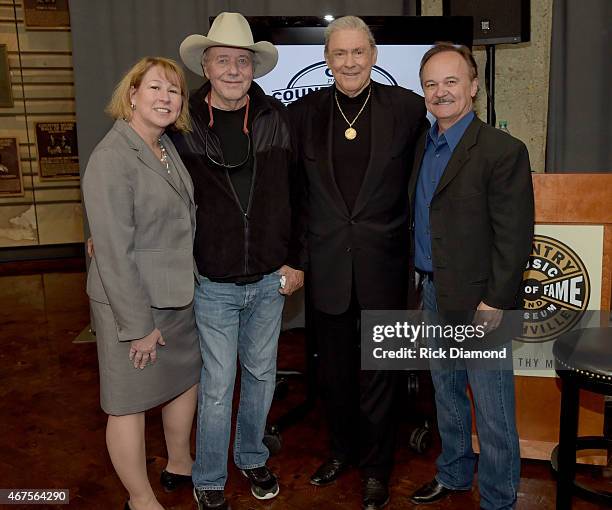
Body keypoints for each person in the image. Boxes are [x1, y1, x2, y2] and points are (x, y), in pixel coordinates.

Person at [289, 15, 427, 510]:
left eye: (357, 52)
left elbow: (424, 188)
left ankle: (377, 468)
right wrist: (296, 259)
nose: (348, 62)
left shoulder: (410, 110)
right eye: (338, 53)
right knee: (337, 376)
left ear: (373, 56)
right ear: (326, 60)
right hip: (327, 268)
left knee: (381, 376)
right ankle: (342, 451)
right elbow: (297, 196)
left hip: (386, 269)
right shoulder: (303, 113)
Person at [172, 12, 304, 510]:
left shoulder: (277, 120)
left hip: (272, 280)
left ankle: (251, 456)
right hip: (213, 282)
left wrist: (296, 260)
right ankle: (208, 475)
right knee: (217, 383)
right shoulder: (181, 123)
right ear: (205, 64)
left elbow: (300, 196)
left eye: (242, 61)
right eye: (223, 59)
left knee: (262, 375)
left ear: (254, 67)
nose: (233, 69)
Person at [408, 43, 534, 510]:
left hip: (482, 301)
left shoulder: (503, 151)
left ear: (474, 87)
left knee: (493, 408)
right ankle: (455, 475)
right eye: (431, 84)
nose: (441, 92)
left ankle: (499, 499)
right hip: (434, 291)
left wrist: (496, 303)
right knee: (446, 394)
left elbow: (515, 236)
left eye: (451, 81)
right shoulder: (422, 144)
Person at [82, 57, 201, 510]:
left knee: (182, 381)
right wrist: (138, 326)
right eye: (155, 88)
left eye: (174, 91)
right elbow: (112, 252)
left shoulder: (165, 147)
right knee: (128, 403)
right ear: (131, 93)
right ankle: (140, 498)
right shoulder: (112, 157)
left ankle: (180, 462)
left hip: (177, 297)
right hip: (130, 306)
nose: (165, 98)